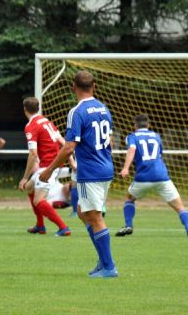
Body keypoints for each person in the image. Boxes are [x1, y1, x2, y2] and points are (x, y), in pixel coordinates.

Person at [40, 70, 117, 278]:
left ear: (74, 87)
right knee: (83, 212)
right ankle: (103, 261)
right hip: (105, 167)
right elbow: (110, 140)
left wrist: (49, 170)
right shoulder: (104, 109)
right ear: (95, 86)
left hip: (91, 171)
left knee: (94, 217)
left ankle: (109, 267)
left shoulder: (77, 111)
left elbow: (68, 147)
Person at [116, 114, 188, 238]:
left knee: (130, 198)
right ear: (148, 125)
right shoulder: (157, 136)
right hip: (162, 177)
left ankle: (128, 225)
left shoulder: (131, 137)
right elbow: (159, 154)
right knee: (179, 206)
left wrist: (125, 168)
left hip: (143, 177)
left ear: (134, 126)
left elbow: (132, 150)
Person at [18, 97, 71, 236]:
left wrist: (24, 177)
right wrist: (71, 161)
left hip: (48, 167)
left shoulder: (31, 126)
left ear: (24, 109)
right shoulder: (47, 121)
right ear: (38, 107)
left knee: (38, 200)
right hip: (54, 164)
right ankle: (40, 226)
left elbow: (33, 154)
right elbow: (62, 142)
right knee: (30, 187)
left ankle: (63, 227)